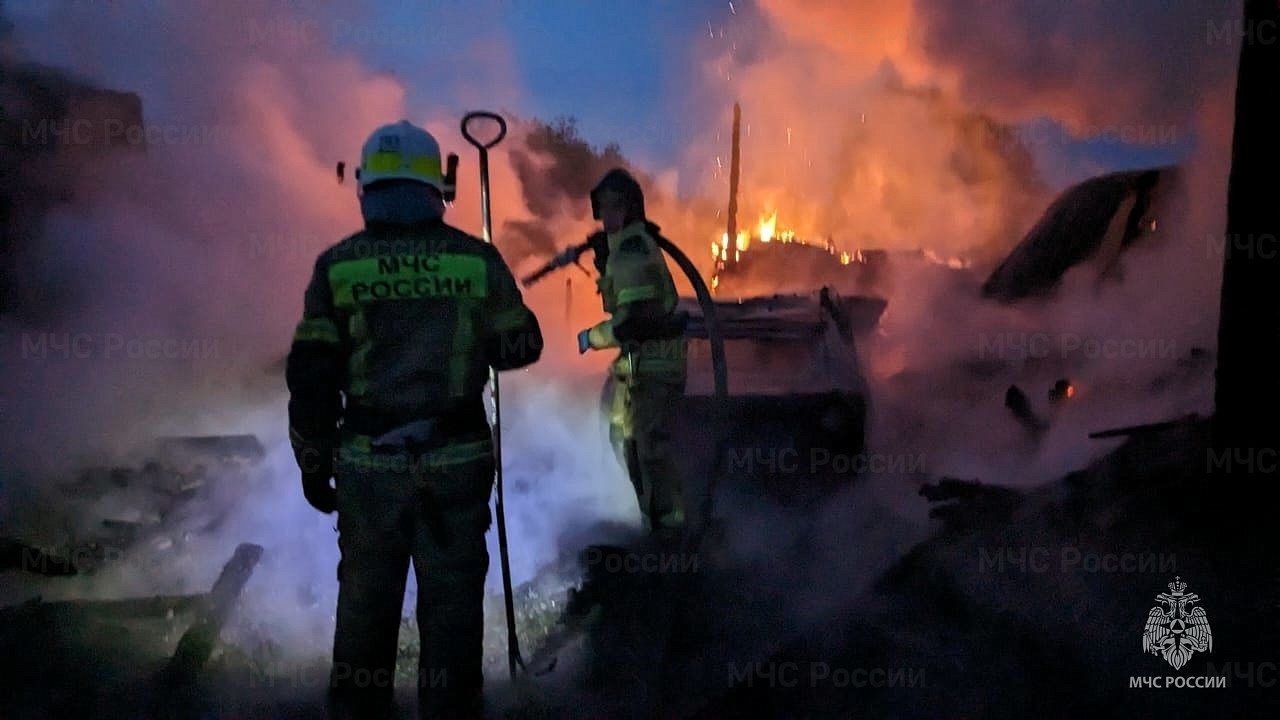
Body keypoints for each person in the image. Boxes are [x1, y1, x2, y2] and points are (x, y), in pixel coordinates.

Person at [286, 119, 542, 719]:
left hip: (369, 466)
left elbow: (312, 377)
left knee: (365, 605)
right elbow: (522, 346)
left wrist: (313, 461)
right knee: (452, 609)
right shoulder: (475, 261)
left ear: (367, 187)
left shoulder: (337, 267)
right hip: (456, 464)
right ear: (438, 187)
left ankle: (359, 710)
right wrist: (479, 333)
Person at [577, 168, 689, 541]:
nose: (607, 216)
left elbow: (634, 321)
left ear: (630, 209)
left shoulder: (632, 250)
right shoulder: (623, 249)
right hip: (637, 365)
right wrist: (602, 261)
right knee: (622, 439)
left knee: (648, 448)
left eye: (615, 207)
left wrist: (592, 337)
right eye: (603, 208)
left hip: (655, 365)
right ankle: (650, 519)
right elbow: (622, 304)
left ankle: (669, 531)